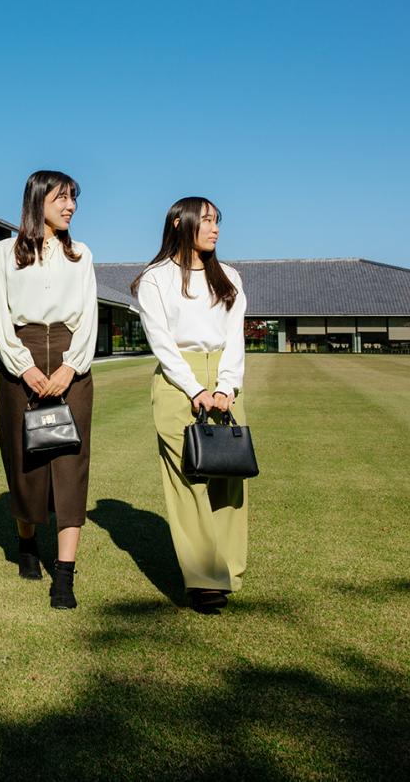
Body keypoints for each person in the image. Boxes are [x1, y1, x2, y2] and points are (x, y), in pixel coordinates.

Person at [0, 170, 100, 609]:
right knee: (25, 464)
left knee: (70, 465)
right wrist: (25, 368)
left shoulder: (82, 255)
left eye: (74, 199)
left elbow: (88, 316)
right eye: (62, 198)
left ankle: (65, 577)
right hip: (22, 359)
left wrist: (70, 368)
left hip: (73, 361)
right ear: (38, 201)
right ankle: (28, 544)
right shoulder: (3, 253)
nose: (70, 206)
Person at [132, 196, 248, 613]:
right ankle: (204, 580)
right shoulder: (156, 278)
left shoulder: (229, 277)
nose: (216, 229)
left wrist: (227, 386)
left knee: (229, 476)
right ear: (181, 223)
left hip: (224, 377)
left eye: (218, 221)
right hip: (177, 381)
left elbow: (235, 337)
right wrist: (195, 388)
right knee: (190, 479)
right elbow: (160, 341)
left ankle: (229, 571)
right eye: (208, 221)